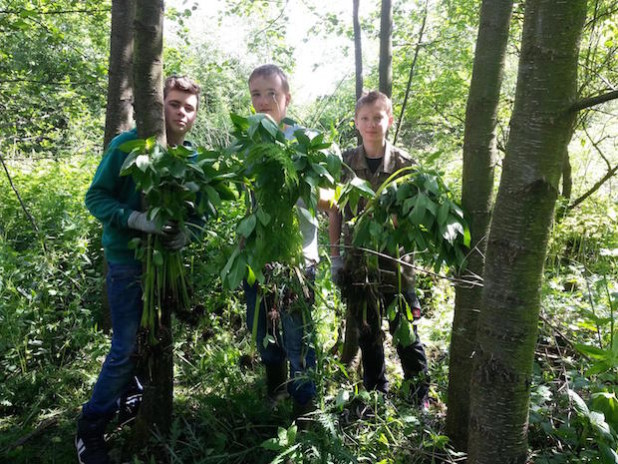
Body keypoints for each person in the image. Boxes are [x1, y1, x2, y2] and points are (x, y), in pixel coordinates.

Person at [76, 75, 201, 464]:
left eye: (189, 107)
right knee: (127, 347)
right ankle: (90, 427)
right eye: (174, 103)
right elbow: (95, 197)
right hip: (127, 262)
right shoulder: (126, 145)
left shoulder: (193, 159)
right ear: (158, 105)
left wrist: (189, 234)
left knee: (154, 340)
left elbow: (201, 214)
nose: (181, 112)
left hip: (168, 267)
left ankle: (132, 405)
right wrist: (133, 218)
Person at [243, 64, 334, 424]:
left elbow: (329, 199)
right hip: (258, 258)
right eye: (256, 94)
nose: (263, 101)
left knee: (297, 337)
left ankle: (306, 409)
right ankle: (275, 393)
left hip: (296, 258)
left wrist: (304, 184)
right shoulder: (249, 143)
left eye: (271, 94)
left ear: (287, 98)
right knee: (264, 333)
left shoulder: (305, 139)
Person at [330, 90, 429, 408]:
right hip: (357, 266)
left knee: (406, 332)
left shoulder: (404, 164)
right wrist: (335, 256)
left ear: (389, 120)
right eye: (365, 118)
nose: (372, 124)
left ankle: (419, 395)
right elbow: (334, 209)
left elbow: (417, 218)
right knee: (367, 332)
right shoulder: (345, 163)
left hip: (395, 266)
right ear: (356, 122)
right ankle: (375, 394)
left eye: (378, 117)